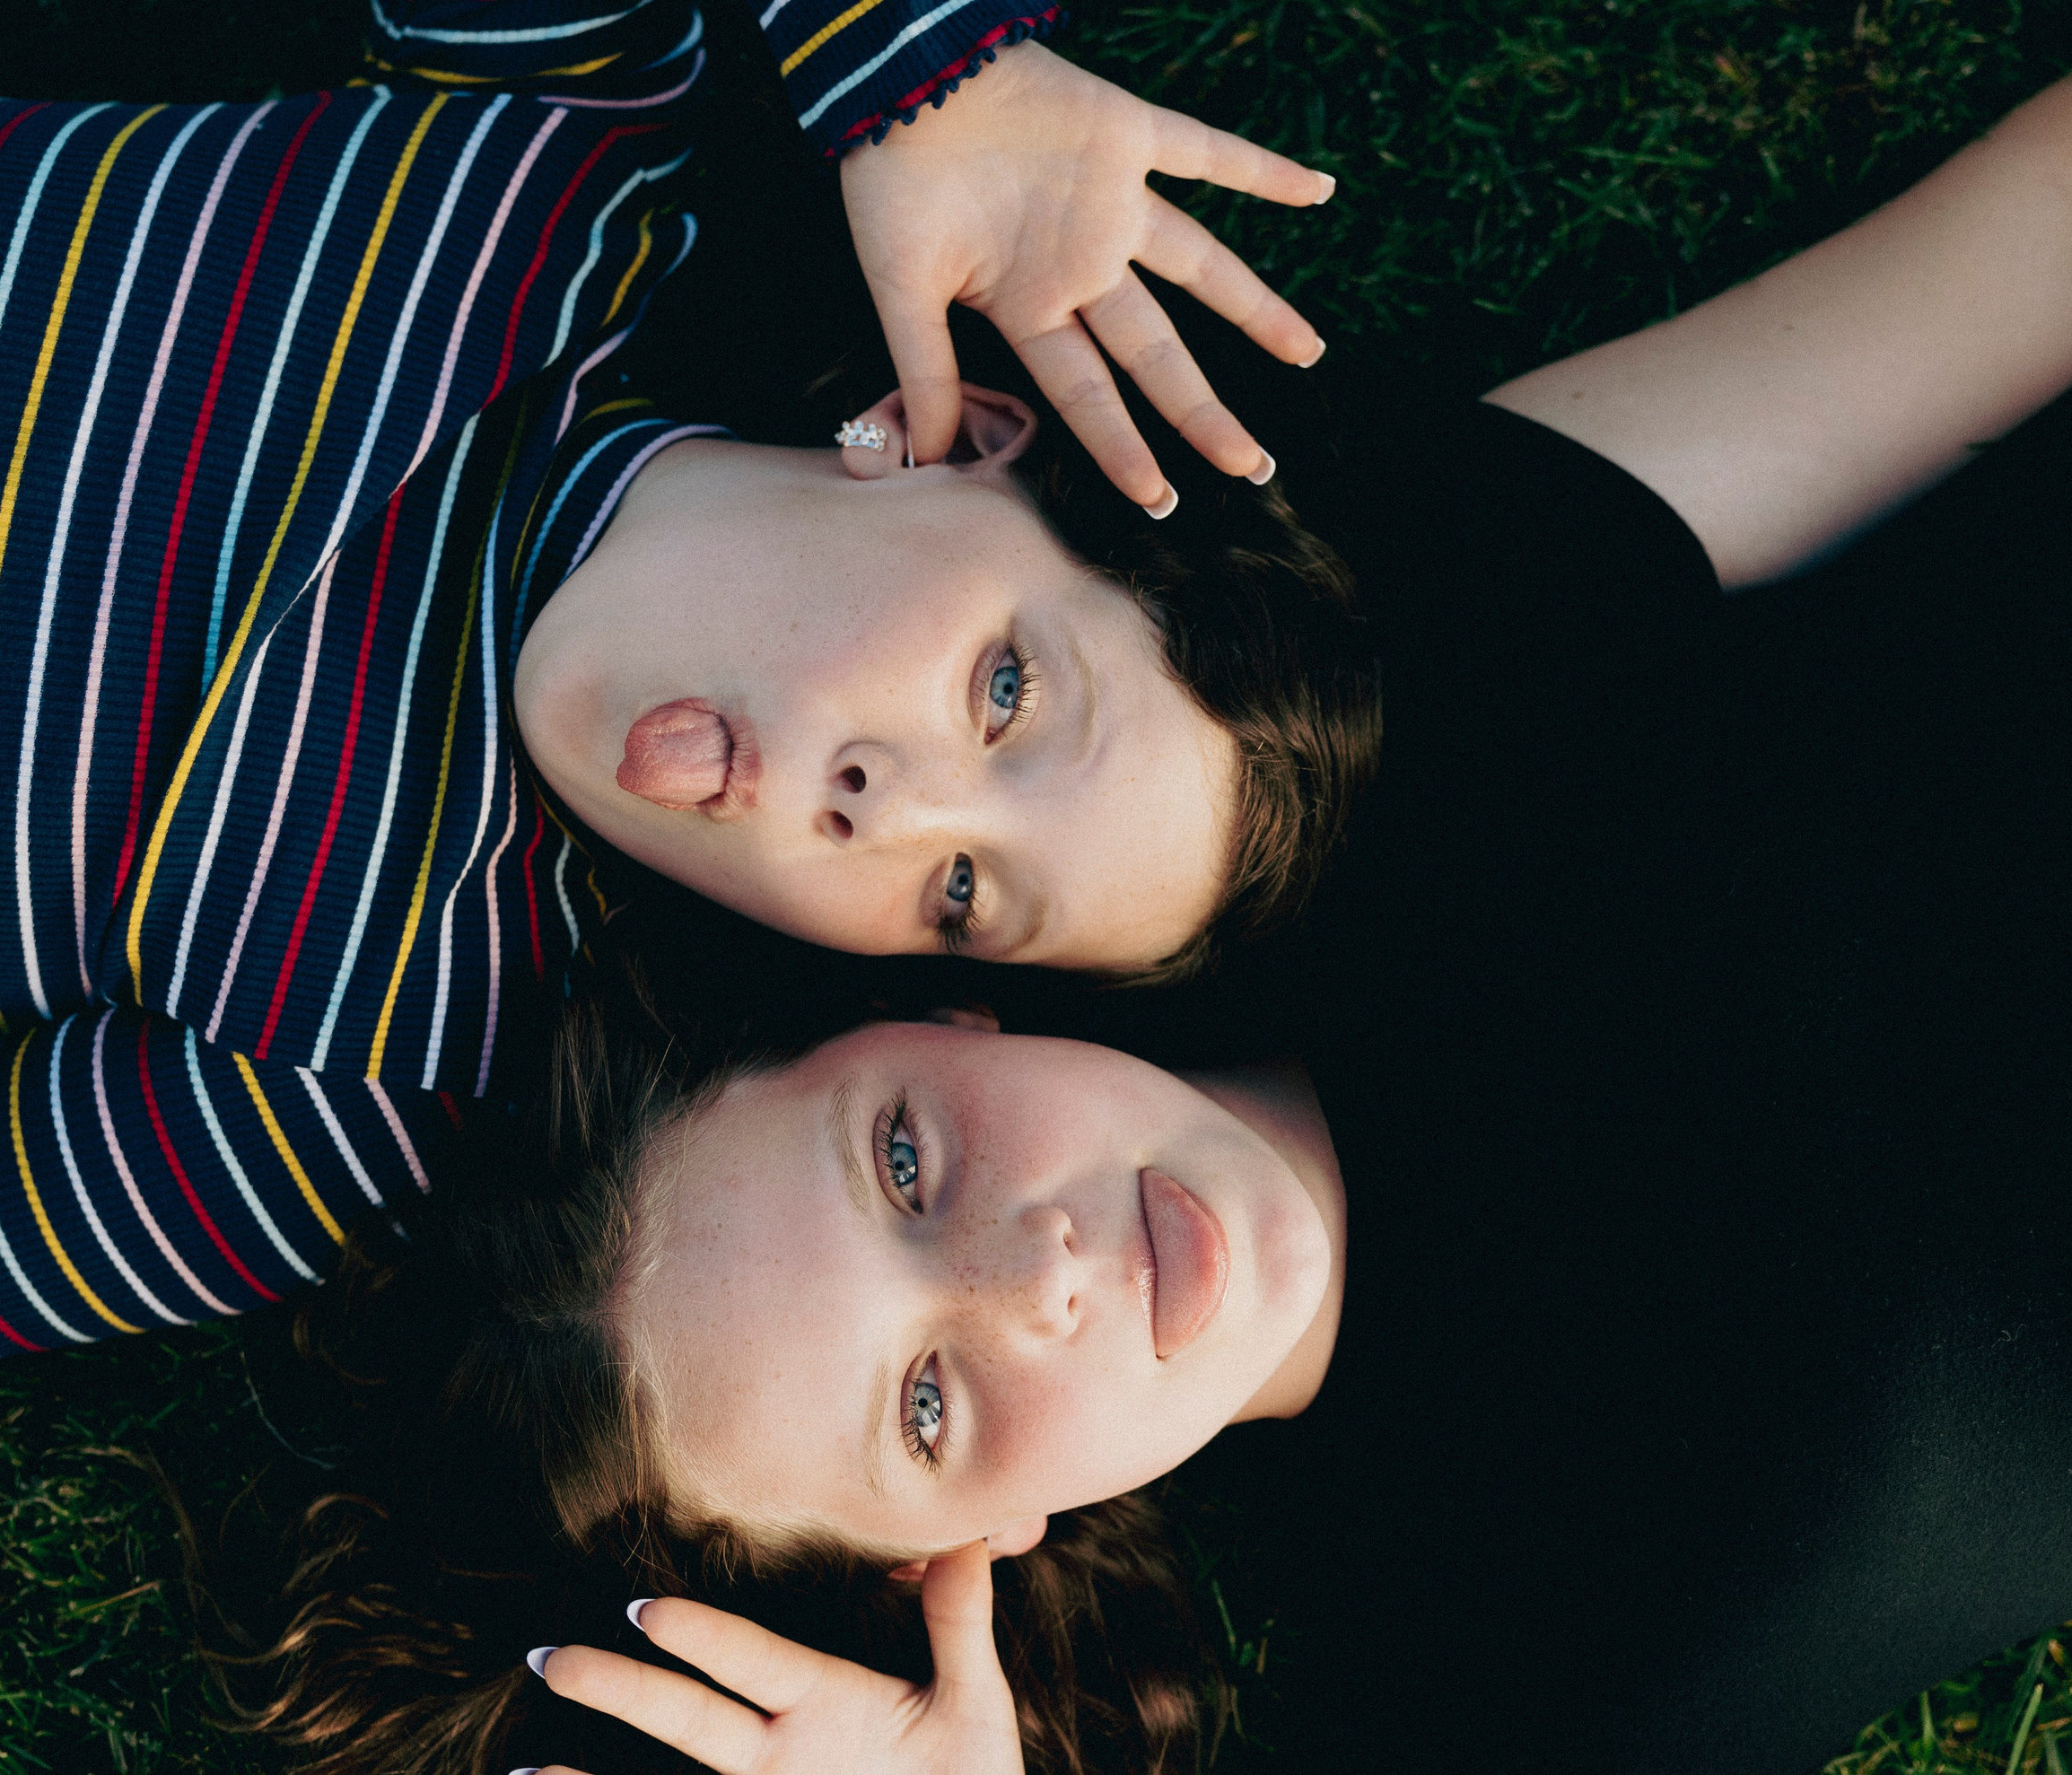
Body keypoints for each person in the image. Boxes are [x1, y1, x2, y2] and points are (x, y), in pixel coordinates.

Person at [244, 63, 2072, 1775]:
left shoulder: (1407, 699)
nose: (1033, 1272)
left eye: (905, 1161)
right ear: (947, 1558)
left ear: (927, 1016)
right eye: (927, 1406)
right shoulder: (1505, 1639)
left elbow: (2002, 271)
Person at [0, 0, 1359, 1404]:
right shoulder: (556, 165)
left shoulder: (364, 1074)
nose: (887, 806)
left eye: (959, 894)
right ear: (957, 439)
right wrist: (925, 80)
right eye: (1004, 691)